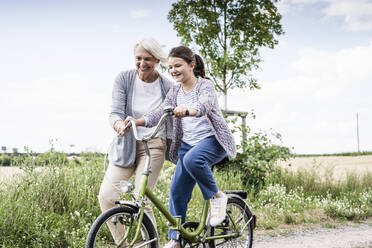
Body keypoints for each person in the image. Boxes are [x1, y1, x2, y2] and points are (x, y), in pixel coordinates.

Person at [123, 46, 237, 248]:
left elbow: (205, 106)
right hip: (187, 145)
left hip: (213, 141)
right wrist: (137, 121)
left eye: (178, 66)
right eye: (170, 67)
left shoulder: (205, 86)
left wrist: (188, 110)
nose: (173, 70)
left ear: (191, 65)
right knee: (176, 192)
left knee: (193, 160)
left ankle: (217, 197)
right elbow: (159, 112)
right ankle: (176, 238)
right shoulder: (175, 91)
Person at [98, 37, 174, 245]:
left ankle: (151, 244)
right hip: (127, 145)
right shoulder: (124, 79)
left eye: (148, 59)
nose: (142, 63)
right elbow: (114, 112)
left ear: (157, 60)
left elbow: (171, 119)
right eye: (138, 58)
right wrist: (118, 125)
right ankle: (123, 243)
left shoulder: (167, 86)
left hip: (154, 146)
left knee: (140, 199)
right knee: (106, 196)